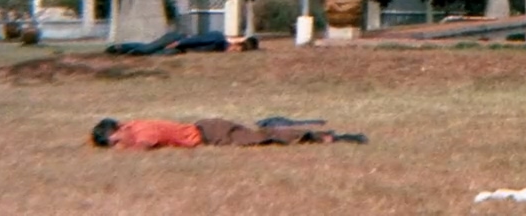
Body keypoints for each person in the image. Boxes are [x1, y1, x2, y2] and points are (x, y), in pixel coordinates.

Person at [89, 117, 366, 149]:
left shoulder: (140, 130)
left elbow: (148, 143)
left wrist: (128, 150)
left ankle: (328, 137)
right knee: (262, 135)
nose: (119, 147)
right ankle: (321, 135)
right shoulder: (134, 127)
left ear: (120, 129)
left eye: (115, 142)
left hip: (210, 133)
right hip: (209, 131)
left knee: (263, 137)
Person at [106, 31, 258, 55]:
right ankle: (119, 47)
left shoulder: (219, 50)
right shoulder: (218, 39)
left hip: (182, 49)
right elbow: (197, 40)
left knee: (155, 54)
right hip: (176, 39)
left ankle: (126, 52)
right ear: (236, 45)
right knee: (147, 49)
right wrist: (178, 43)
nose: (233, 52)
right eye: (236, 50)